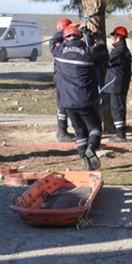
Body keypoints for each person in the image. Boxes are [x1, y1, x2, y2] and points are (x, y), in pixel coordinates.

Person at [52, 21, 108, 169]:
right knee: (95, 128)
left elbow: (53, 41)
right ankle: (91, 148)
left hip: (67, 103)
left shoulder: (58, 52)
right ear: (79, 37)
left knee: (79, 131)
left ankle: (85, 159)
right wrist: (97, 38)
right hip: (86, 101)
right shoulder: (89, 53)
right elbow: (104, 54)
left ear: (65, 38)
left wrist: (67, 28)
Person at [101, 25, 132, 140]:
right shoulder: (123, 49)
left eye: (114, 35)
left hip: (116, 85)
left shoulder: (119, 50)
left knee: (117, 108)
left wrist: (99, 47)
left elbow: (106, 61)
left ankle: (120, 135)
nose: (113, 38)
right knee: (119, 108)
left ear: (118, 36)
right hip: (120, 84)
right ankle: (120, 132)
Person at [51, 17, 73, 142]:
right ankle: (62, 131)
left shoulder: (64, 42)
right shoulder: (59, 44)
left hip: (64, 78)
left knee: (64, 105)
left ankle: (63, 131)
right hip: (62, 78)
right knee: (63, 106)